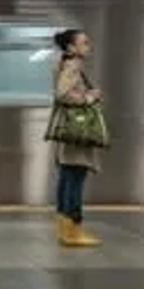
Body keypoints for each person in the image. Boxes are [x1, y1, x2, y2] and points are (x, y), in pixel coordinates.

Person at [51, 28, 102, 247]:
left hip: (67, 132)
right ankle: (73, 230)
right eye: (84, 43)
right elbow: (63, 94)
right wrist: (89, 97)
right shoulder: (73, 66)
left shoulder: (64, 64)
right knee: (75, 178)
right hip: (76, 133)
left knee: (67, 177)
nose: (88, 47)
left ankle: (65, 230)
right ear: (71, 47)